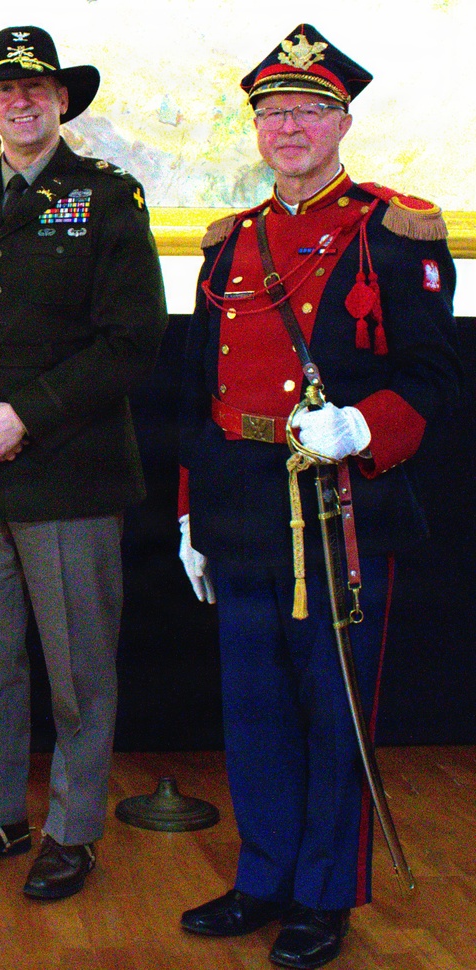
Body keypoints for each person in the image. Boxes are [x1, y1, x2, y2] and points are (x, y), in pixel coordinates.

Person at [177, 25, 458, 968]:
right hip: (241, 500)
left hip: (339, 503)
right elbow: (200, 391)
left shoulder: (394, 230)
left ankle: (326, 892)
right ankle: (264, 876)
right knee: (252, 703)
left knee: (333, 709)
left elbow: (431, 377)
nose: (289, 126)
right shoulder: (231, 242)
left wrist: (365, 428)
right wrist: (189, 511)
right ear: (255, 129)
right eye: (272, 111)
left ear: (342, 121)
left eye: (308, 109)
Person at [0, 26, 167, 900]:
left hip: (70, 476)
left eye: (37, 89)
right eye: (5, 91)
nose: (20, 102)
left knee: (79, 673)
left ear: (62, 102)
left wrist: (24, 416)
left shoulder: (106, 196)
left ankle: (74, 829)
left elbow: (132, 341)